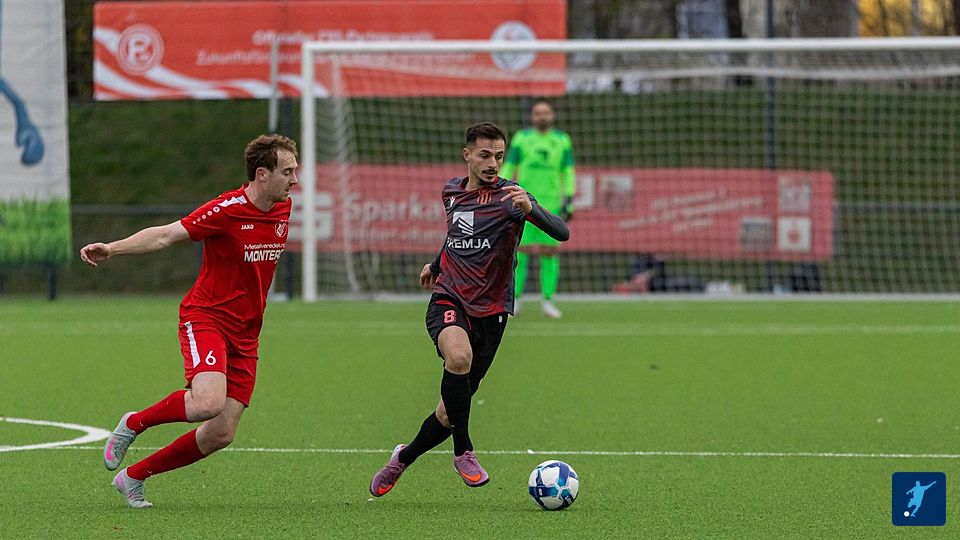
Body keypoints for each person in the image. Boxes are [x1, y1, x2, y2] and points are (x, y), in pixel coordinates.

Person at [79, 134, 299, 508]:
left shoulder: (283, 207)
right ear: (262, 174)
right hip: (207, 317)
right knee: (207, 403)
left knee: (220, 433)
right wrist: (112, 249)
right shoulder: (226, 209)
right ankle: (134, 423)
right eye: (288, 172)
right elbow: (166, 235)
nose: (295, 180)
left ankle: (133, 477)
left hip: (247, 333)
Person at [369, 122, 569, 496]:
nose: (492, 163)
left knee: (447, 414)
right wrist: (437, 264)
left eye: (498, 156)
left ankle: (402, 459)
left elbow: (562, 232)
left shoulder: (512, 197)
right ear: (468, 155)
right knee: (458, 357)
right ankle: (464, 451)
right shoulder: (451, 192)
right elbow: (456, 234)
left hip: (492, 313)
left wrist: (533, 210)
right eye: (485, 155)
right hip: (450, 299)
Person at [499, 98, 576, 318]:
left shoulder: (562, 140)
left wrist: (569, 198)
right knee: (520, 252)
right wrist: (499, 186)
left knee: (549, 252)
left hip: (551, 204)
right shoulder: (522, 138)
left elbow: (568, 170)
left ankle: (548, 301)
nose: (542, 117)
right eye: (538, 113)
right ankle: (515, 300)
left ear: (552, 116)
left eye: (546, 113)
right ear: (532, 117)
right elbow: (510, 165)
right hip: (522, 201)